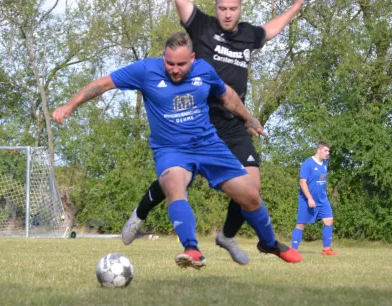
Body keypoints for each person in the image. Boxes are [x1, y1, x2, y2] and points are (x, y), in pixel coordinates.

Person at [52, 32, 302, 269]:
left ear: (192, 59)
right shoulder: (146, 70)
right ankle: (191, 248)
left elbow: (228, 97)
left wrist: (250, 119)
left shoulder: (204, 70)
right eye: (170, 63)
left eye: (181, 64)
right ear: (164, 57)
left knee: (249, 194)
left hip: (209, 146)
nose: (174, 69)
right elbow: (103, 84)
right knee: (173, 185)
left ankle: (268, 244)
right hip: (171, 150)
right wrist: (70, 105)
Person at [122, 0, 306, 265]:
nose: (227, 14)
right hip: (200, 118)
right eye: (222, 8)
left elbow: (271, 30)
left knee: (252, 187)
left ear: (241, 8)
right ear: (216, 7)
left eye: (233, 9)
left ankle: (228, 236)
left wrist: (296, 6)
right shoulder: (201, 25)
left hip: (232, 122)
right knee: (175, 177)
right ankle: (141, 212)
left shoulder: (248, 34)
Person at [291, 142, 338, 256]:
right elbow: (302, 182)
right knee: (301, 224)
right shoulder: (308, 163)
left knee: (329, 220)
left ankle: (326, 249)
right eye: (326, 151)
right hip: (307, 199)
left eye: (329, 151)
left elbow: (321, 181)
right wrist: (310, 198)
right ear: (319, 150)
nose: (328, 153)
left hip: (322, 200)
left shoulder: (325, 164)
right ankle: (293, 250)